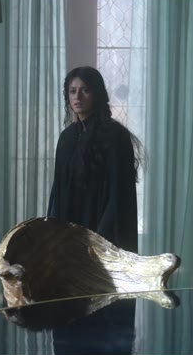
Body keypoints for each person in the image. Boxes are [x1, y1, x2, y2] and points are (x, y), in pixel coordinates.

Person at [47, 66, 143, 254]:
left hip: (103, 231)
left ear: (96, 94)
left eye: (85, 90)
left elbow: (118, 195)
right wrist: (54, 232)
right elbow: (58, 191)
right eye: (72, 91)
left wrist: (98, 241)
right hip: (70, 230)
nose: (77, 97)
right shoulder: (67, 137)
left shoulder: (115, 136)